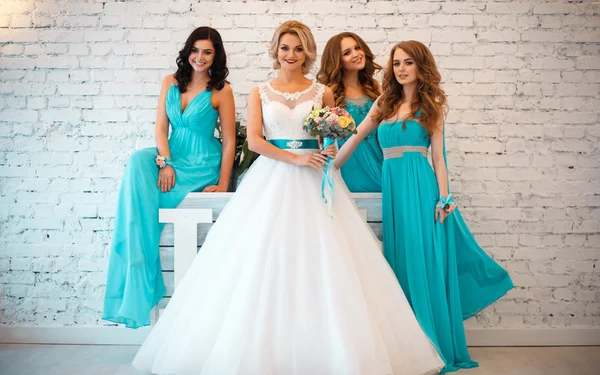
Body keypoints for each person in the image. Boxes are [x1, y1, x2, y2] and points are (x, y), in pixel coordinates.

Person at [132, 22, 444, 375]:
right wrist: (296, 158)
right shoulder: (259, 92)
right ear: (276, 51)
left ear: (307, 52)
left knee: (327, 257)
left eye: (298, 49)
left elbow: (332, 141)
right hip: (273, 177)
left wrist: (327, 149)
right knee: (262, 256)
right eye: (285, 48)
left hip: (315, 177)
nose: (291, 55)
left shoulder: (322, 92)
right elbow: (254, 142)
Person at [336, 40, 514, 373]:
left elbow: (439, 159)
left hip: (421, 188)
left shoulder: (431, 106)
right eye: (396, 63)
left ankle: (434, 344)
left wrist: (445, 198)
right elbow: (355, 137)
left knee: (424, 262)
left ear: (421, 67)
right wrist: (329, 168)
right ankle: (408, 345)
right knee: (400, 262)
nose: (401, 68)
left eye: (408, 63)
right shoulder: (383, 104)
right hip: (394, 190)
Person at [102, 27, 236, 329]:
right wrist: (165, 163)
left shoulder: (221, 90)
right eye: (195, 50)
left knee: (149, 194)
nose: (199, 57)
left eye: (207, 52)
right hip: (172, 155)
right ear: (187, 51)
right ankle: (138, 257)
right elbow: (160, 129)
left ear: (216, 56)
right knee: (138, 160)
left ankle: (142, 249)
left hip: (202, 161)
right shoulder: (169, 82)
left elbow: (229, 140)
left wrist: (224, 183)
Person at [317, 32, 383, 192]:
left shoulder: (376, 91)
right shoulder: (328, 94)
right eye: (347, 53)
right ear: (337, 62)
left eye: (357, 48)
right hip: (348, 167)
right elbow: (322, 140)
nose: (356, 54)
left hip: (380, 163)